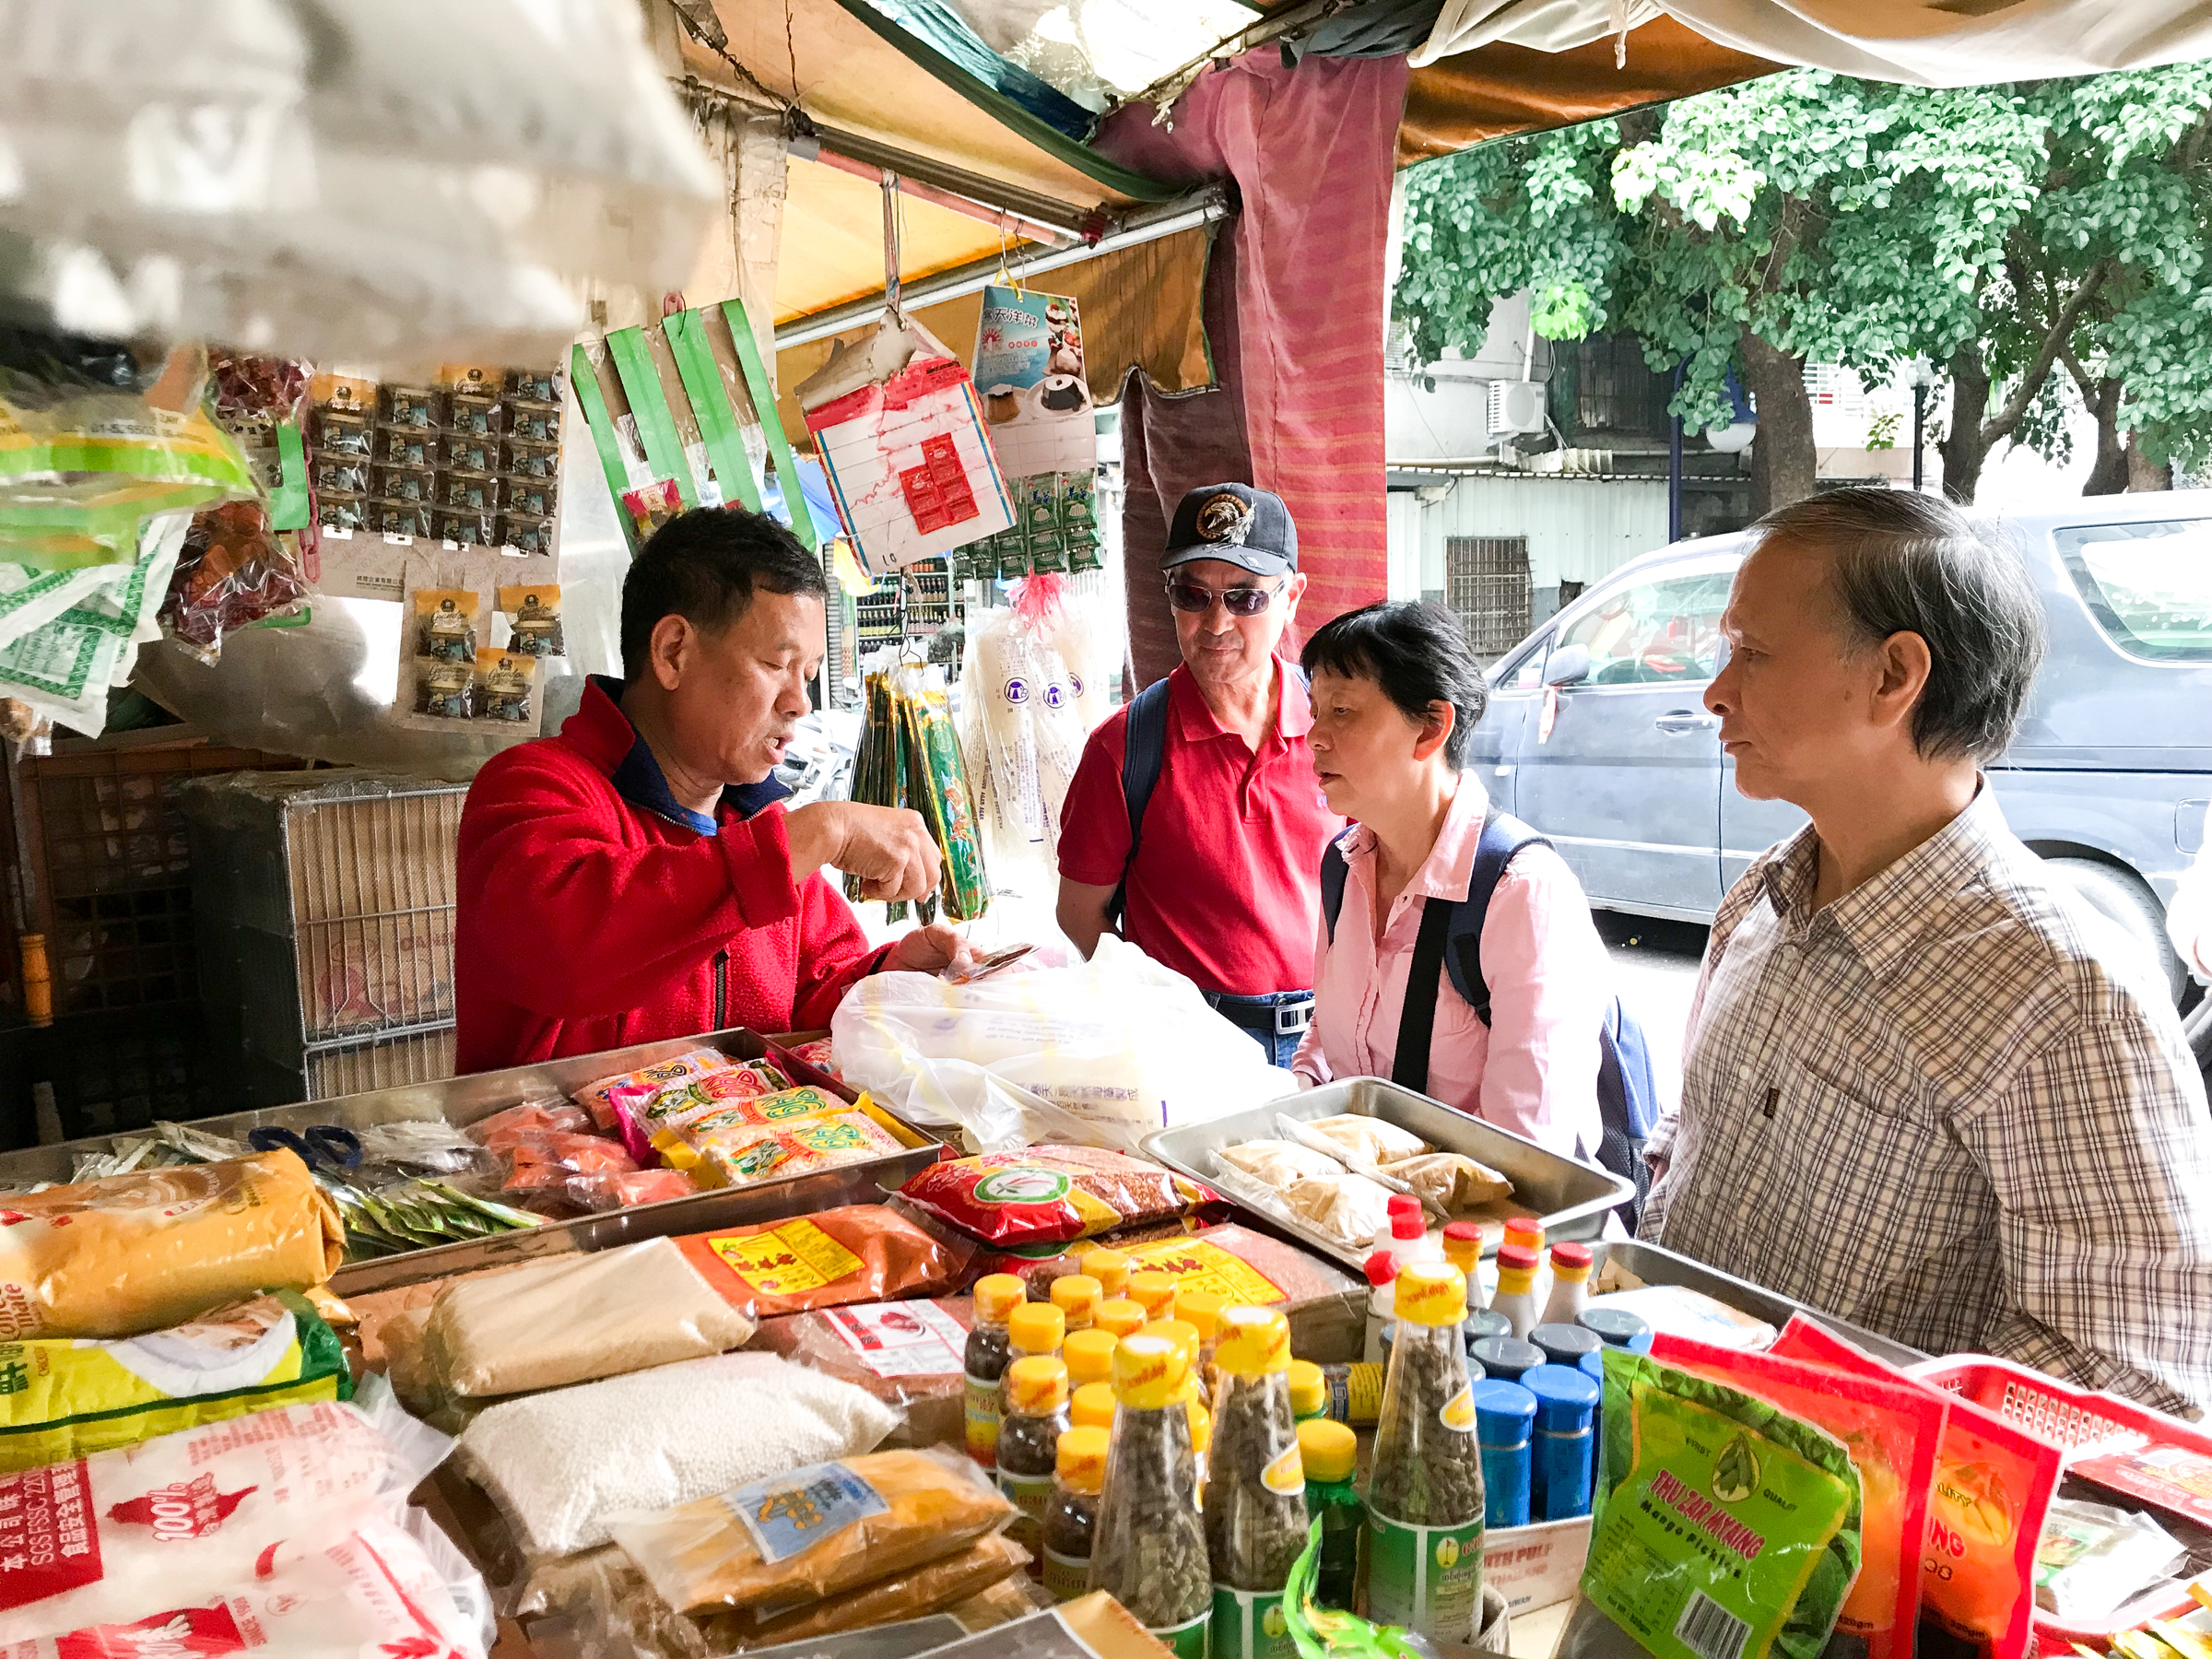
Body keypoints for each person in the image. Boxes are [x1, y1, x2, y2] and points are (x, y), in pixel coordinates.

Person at [1641, 487, 2212, 1415]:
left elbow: (2130, 1382)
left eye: (1751, 652)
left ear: (1893, 676)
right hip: (1666, 1476)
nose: (1715, 690)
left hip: (1857, 1539)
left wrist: (1859, 1447)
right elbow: (1689, 1165)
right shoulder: (1760, 902)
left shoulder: (2061, 996)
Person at [454, 507, 967, 1073]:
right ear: (674, 652)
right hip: (561, 1156)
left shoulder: (751, 823)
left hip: (744, 1150)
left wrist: (895, 978)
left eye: (811, 672)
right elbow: (569, 959)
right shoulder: (533, 788)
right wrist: (823, 830)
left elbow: (813, 1000)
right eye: (778, 663)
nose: (800, 702)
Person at [1291, 602, 1607, 1159]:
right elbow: (1331, 1039)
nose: (1314, 736)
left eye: (1342, 710)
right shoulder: (1345, 865)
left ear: (1432, 727)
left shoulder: (1521, 894)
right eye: (1315, 710)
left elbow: (1527, 1151)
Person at [1055, 484, 1343, 1065]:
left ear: (1292, 597)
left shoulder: (1336, 728)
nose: (1216, 623)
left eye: (1246, 598)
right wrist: (1155, 1010)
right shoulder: (1123, 748)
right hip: (1184, 1045)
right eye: (1193, 595)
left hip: (1330, 1036)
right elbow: (1079, 912)